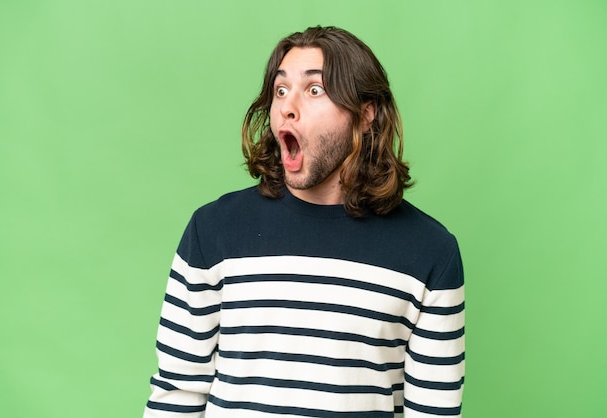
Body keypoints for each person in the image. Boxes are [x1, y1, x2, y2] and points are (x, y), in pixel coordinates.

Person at [144, 26, 464, 418]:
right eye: (281, 90)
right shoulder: (213, 232)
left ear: (366, 114)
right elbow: (177, 394)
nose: (287, 107)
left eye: (314, 90)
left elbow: (434, 411)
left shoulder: (430, 252)